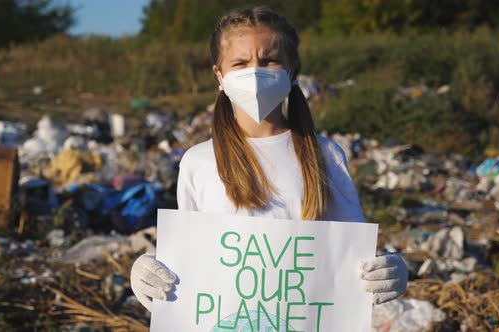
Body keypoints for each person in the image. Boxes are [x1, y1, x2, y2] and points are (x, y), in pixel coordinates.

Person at [130, 6, 407, 312]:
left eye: (270, 60)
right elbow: (192, 254)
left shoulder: (326, 154)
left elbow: (353, 253)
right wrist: (149, 271)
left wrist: (387, 269)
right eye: (240, 62)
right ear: (219, 75)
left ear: (292, 70)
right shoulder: (198, 162)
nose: (255, 72)